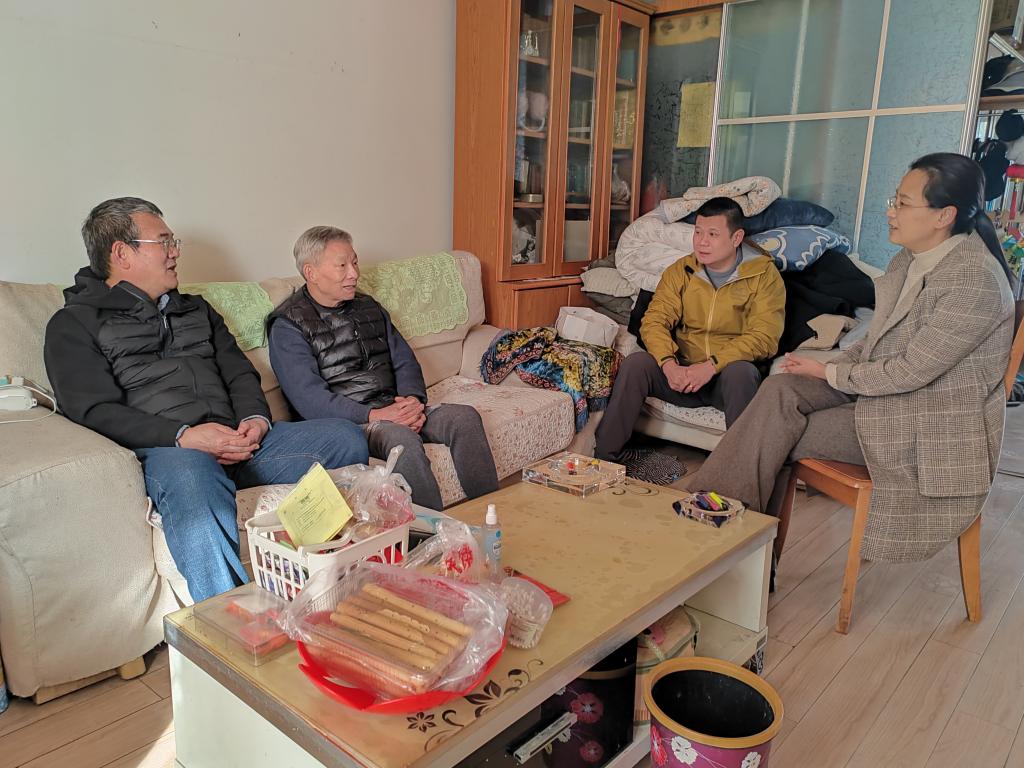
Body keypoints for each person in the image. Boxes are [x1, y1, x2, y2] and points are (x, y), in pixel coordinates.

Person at [688, 153, 1015, 565]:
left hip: (923, 425)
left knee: (774, 433)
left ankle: (719, 542)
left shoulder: (973, 279)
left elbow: (910, 371)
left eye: (902, 203)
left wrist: (830, 372)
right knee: (781, 388)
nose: (890, 211)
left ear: (943, 215)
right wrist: (826, 366)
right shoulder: (910, 261)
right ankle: (722, 533)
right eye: (894, 200)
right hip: (887, 400)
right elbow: (877, 342)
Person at [44, 198, 369, 602]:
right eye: (164, 242)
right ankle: (231, 619)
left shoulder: (196, 309)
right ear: (122, 253)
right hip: (170, 452)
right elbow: (92, 410)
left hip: (239, 442)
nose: (175, 252)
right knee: (195, 474)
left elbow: (239, 373)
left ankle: (339, 583)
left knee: (345, 437)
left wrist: (255, 420)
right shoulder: (74, 323)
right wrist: (184, 436)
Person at [267, 226, 499, 510]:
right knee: (401, 439)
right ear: (311, 272)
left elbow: (404, 360)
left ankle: (491, 513)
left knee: (464, 417)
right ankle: (432, 529)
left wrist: (412, 401)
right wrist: (377, 415)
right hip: (353, 423)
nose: (354, 273)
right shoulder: (288, 325)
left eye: (355, 262)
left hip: (393, 406)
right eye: (342, 266)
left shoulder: (367, 306)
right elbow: (309, 400)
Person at [595, 196, 786, 466]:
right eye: (698, 232)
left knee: (742, 373)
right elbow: (654, 321)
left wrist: (710, 367)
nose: (702, 242)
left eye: (712, 234)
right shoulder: (681, 271)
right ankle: (604, 460)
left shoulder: (764, 276)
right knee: (636, 364)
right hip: (681, 372)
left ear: (736, 238)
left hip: (723, 379)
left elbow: (764, 337)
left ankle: (739, 471)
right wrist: (669, 364)